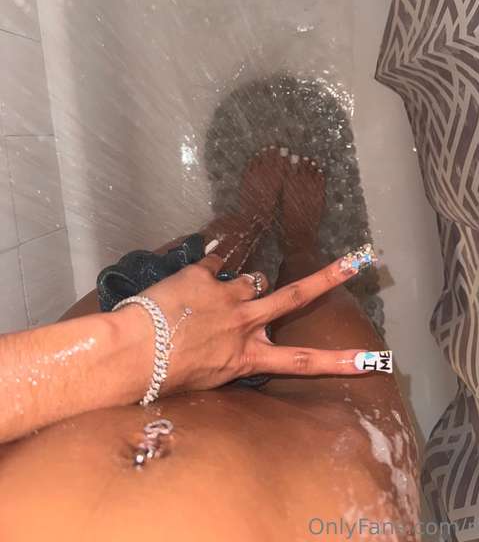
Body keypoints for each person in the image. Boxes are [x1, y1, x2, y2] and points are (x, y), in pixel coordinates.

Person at [0, 149, 419, 540]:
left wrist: (139, 343)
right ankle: (300, 242)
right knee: (357, 351)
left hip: (75, 389)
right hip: (321, 454)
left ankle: (248, 220)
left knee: (208, 260)